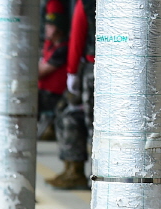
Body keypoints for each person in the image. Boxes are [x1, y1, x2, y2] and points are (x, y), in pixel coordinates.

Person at [47, 0, 95, 190]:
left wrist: (72, 71)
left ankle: (99, 177)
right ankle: (76, 170)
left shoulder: (87, 3)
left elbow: (78, 35)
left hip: (95, 68)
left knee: (95, 128)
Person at [38, 1, 69, 140]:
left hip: (52, 95)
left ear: (59, 29)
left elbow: (40, 72)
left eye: (50, 26)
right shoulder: (51, 46)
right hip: (45, 92)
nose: (46, 28)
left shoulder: (62, 49)